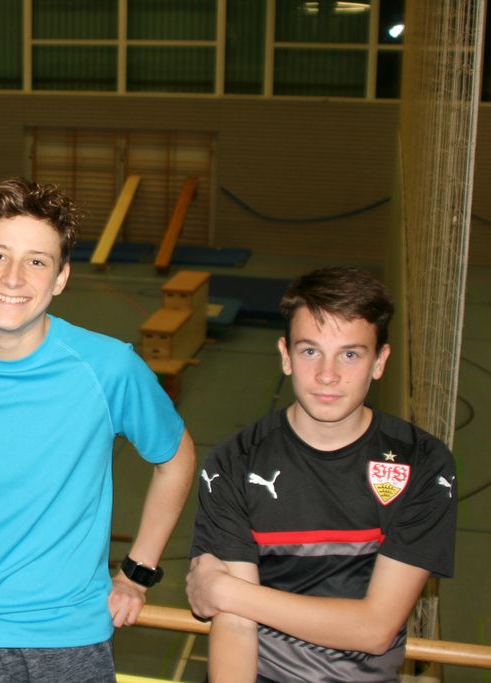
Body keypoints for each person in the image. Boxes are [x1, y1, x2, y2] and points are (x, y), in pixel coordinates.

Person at [0, 177, 197, 681]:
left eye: (37, 262)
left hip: (69, 637)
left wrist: (137, 572)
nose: (13, 277)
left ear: (61, 278)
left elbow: (175, 458)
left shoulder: (108, 368)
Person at [187, 267, 457, 682]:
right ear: (285, 355)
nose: (327, 375)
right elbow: (235, 627)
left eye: (350, 355)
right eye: (310, 351)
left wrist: (227, 591)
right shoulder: (233, 463)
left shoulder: (422, 462)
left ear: (380, 361)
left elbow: (375, 630)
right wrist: (234, 602)